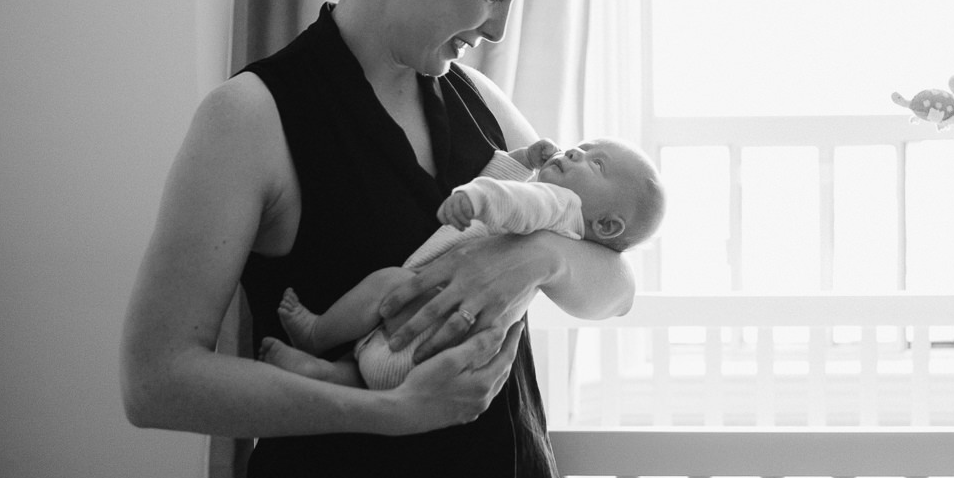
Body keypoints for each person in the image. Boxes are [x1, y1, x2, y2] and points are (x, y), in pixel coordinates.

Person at [120, 0, 635, 478]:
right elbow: (155, 381)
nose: (497, 28)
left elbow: (614, 289)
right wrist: (383, 412)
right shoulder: (251, 119)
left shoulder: (477, 101)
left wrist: (541, 260)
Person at [262, 135, 664, 390]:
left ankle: (318, 334)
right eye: (587, 145)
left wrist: (479, 201)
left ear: (608, 225)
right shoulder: (566, 213)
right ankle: (333, 374)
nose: (577, 150)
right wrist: (523, 158)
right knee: (369, 359)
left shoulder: (561, 205)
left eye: (596, 164)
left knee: (388, 282)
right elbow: (513, 185)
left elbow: (516, 201)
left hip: (417, 327)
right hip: (436, 362)